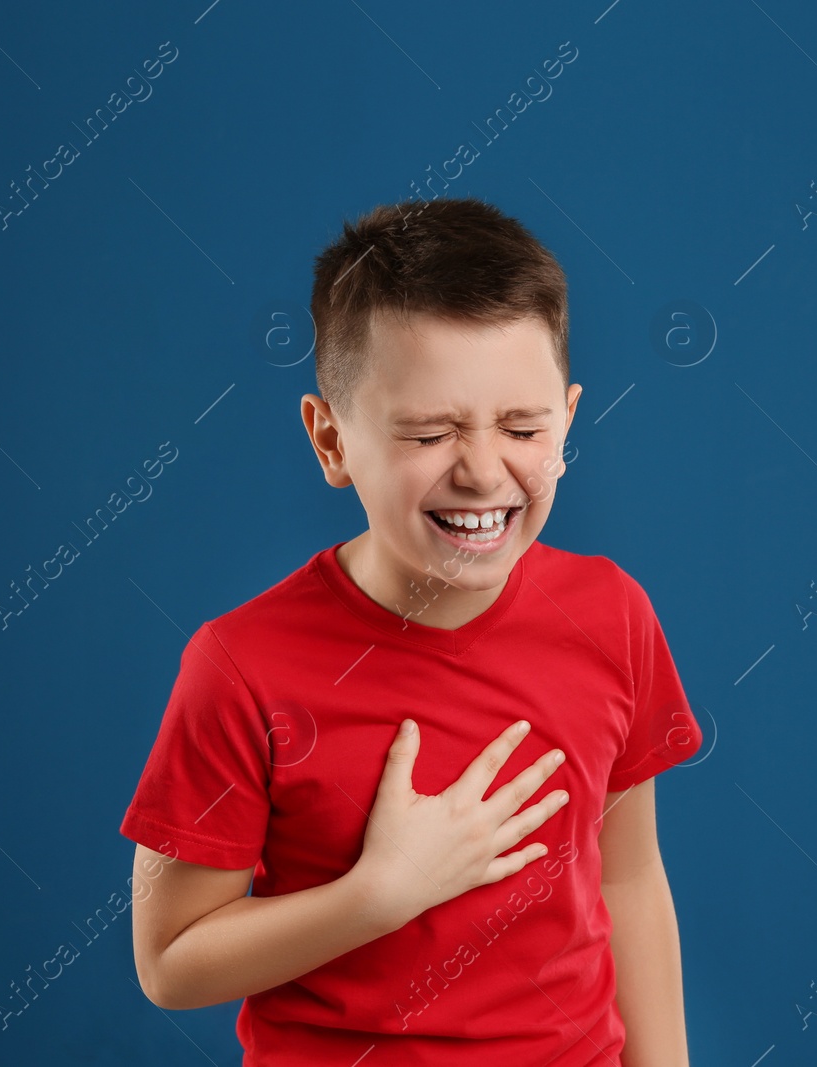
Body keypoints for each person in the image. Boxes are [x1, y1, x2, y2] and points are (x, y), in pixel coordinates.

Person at [118, 195, 702, 1065]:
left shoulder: (611, 612)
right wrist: (381, 894)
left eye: (523, 427)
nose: (481, 470)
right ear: (330, 439)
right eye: (430, 432)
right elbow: (169, 960)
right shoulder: (239, 666)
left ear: (569, 420)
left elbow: (629, 875)